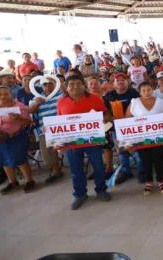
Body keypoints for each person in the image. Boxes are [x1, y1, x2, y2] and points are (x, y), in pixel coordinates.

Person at [57, 75, 111, 210]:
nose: (75, 86)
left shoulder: (94, 99)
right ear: (67, 87)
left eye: (78, 84)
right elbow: (59, 123)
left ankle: (101, 190)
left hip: (93, 141)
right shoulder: (61, 102)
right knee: (76, 170)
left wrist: (103, 120)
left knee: (98, 167)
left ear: (83, 85)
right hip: (72, 143)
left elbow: (106, 115)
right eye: (71, 84)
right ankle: (80, 194)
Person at [0, 86, 35, 195]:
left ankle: (30, 181)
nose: (3, 96)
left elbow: (29, 122)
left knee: (20, 159)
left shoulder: (19, 106)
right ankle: (13, 182)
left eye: (6, 94)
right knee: (3, 160)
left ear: (11, 95)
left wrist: (18, 118)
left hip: (16, 137)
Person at [126, 82, 163, 195]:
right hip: (141, 139)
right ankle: (149, 181)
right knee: (145, 161)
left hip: (158, 138)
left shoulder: (160, 102)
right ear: (139, 92)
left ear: (153, 90)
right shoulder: (134, 103)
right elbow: (127, 119)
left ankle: (160, 180)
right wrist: (129, 140)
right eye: (143, 90)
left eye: (149, 89)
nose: (146, 92)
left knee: (159, 159)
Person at [104, 73, 140, 184]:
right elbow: (106, 112)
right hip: (116, 128)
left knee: (137, 149)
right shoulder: (109, 95)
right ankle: (126, 171)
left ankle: (142, 171)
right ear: (114, 83)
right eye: (117, 80)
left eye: (123, 80)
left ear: (127, 82)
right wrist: (112, 119)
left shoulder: (134, 93)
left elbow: (139, 108)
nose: (120, 82)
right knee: (122, 151)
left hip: (133, 127)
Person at [29, 76, 64, 184]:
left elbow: (67, 93)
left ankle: (76, 168)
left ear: (54, 85)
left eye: (50, 83)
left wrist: (58, 82)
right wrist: (37, 103)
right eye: (45, 84)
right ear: (42, 86)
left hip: (62, 127)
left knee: (74, 148)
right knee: (47, 154)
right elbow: (30, 111)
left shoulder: (60, 95)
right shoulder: (36, 98)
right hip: (45, 129)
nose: (48, 86)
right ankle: (56, 171)